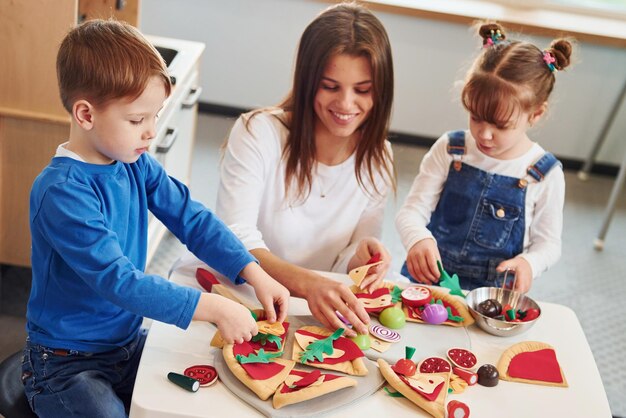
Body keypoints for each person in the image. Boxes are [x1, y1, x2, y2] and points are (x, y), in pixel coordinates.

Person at [22, 19, 289, 418]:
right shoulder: (61, 191)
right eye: (136, 120)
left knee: (205, 395)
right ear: (85, 114)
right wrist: (213, 307)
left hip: (126, 345)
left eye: (155, 116)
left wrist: (254, 271)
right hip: (65, 363)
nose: (151, 131)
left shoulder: (134, 162)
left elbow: (190, 218)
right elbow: (120, 281)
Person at [215, 2, 396, 336]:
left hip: (315, 311)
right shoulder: (258, 131)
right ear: (307, 80)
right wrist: (310, 283)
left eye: (363, 90)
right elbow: (232, 238)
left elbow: (345, 265)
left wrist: (361, 257)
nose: (345, 104)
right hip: (239, 296)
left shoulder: (379, 157)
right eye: (330, 86)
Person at [396, 23, 572, 293]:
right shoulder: (450, 148)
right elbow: (411, 211)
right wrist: (417, 239)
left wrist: (528, 263)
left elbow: (548, 245)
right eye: (476, 117)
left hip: (491, 296)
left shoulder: (544, 173)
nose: (485, 134)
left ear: (535, 114)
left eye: (500, 125)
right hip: (429, 284)